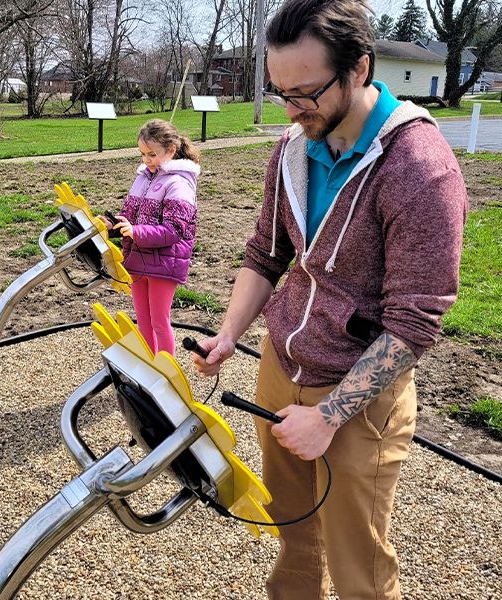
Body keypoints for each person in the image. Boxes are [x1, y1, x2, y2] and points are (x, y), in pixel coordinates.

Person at [190, 1, 467, 598]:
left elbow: (416, 320)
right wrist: (231, 333)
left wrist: (330, 416)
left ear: (359, 69)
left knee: (357, 566)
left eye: (306, 93)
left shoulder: (420, 168)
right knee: (291, 537)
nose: (291, 110)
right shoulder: (292, 147)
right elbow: (266, 255)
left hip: (356, 399)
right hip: (279, 368)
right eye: (280, 91)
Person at [103, 119, 201, 356]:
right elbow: (128, 214)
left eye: (152, 154)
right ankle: (150, 367)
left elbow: (174, 230)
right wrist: (112, 225)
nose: (147, 160)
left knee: (159, 321)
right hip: (137, 259)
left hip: (165, 263)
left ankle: (168, 371)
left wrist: (136, 232)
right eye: (143, 154)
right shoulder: (143, 177)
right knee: (144, 322)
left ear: (171, 150)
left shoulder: (179, 183)